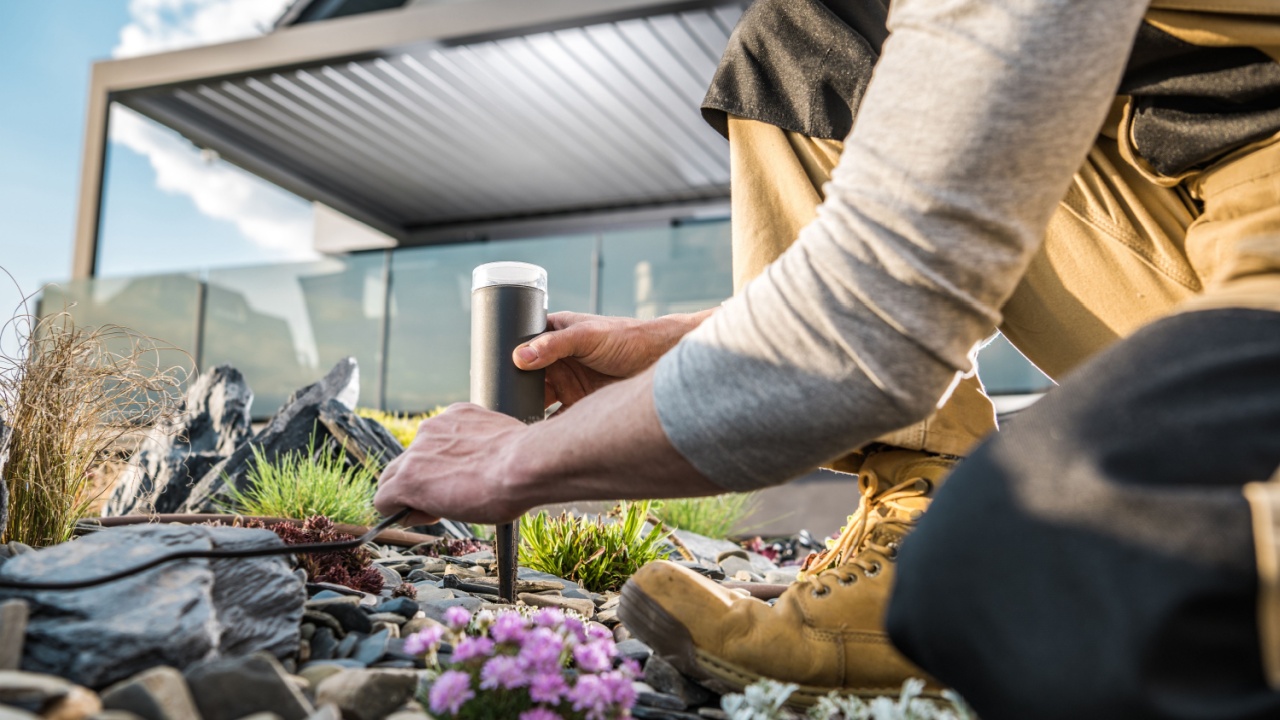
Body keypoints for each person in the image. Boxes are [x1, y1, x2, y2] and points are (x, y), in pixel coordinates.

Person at [375, 0, 1280, 715]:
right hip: (1208, 204)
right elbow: (925, 223)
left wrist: (513, 461)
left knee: (1027, 574)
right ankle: (914, 511)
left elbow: (870, 324)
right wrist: (707, 340)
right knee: (808, 42)